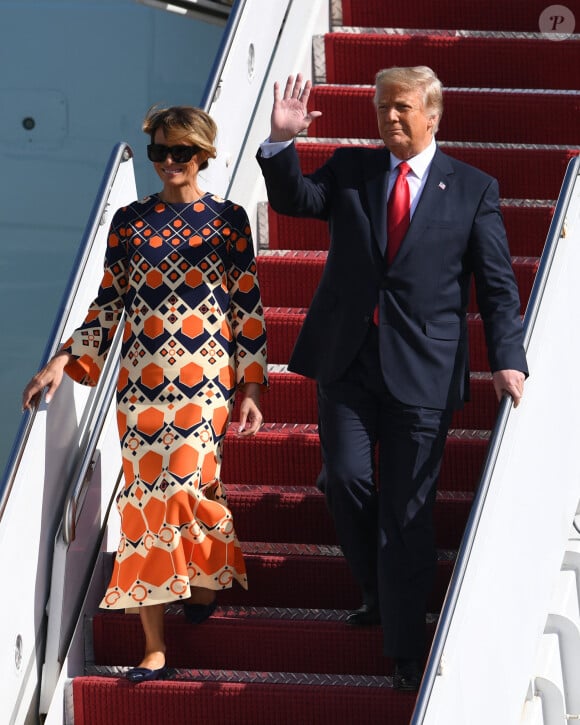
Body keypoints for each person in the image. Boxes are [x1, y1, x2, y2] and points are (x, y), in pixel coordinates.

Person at [256, 67, 527, 692]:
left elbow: (497, 285)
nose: (390, 119)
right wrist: (281, 143)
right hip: (347, 359)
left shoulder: (473, 189)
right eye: (382, 109)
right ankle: (380, 589)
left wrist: (506, 358)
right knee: (346, 478)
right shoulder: (353, 170)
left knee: (408, 509)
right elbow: (296, 202)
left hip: (425, 368)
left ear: (434, 114)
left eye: (402, 108)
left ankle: (405, 647)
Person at [23, 105, 267, 683]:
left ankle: (206, 573)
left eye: (179, 153)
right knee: (144, 504)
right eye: (159, 153)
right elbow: (109, 304)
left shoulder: (229, 219)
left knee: (185, 487)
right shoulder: (130, 221)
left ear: (202, 154)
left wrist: (251, 383)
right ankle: (154, 645)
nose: (168, 164)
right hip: (141, 385)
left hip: (206, 379)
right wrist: (64, 357)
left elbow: (247, 306)